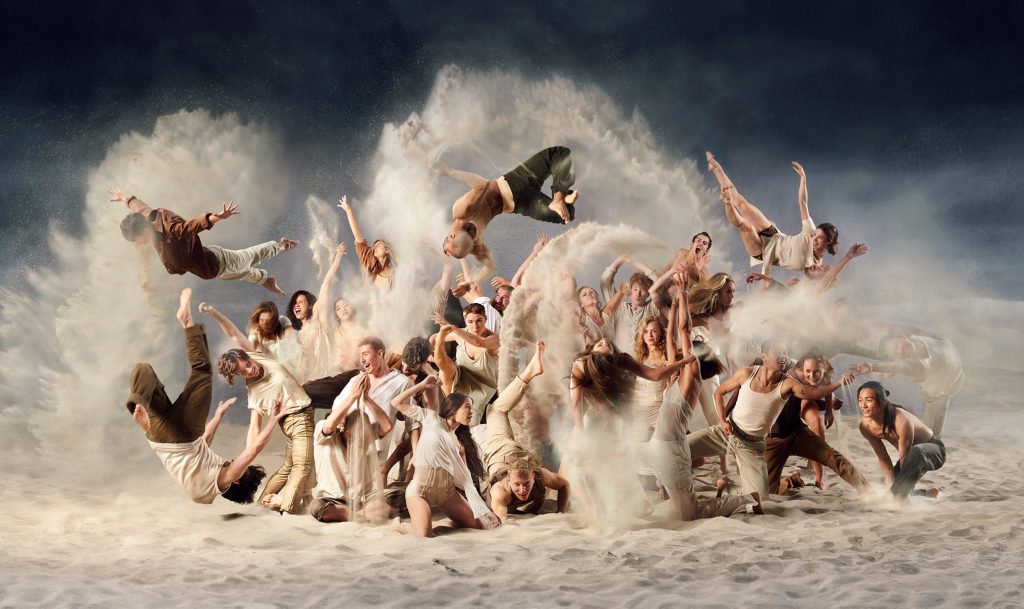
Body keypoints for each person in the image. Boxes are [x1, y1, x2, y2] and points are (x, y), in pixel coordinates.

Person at [125, 288, 291, 505]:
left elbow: (253, 450)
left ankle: (187, 324)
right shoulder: (204, 491)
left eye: (238, 467)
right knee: (142, 370)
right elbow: (202, 445)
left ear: (237, 482)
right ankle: (138, 408)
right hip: (160, 435)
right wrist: (219, 416)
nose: (232, 461)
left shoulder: (227, 476)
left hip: (183, 435)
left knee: (202, 371)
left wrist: (275, 419)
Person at [687, 340, 858, 509]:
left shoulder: (788, 382)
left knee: (761, 498)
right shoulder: (748, 373)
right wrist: (723, 420)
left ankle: (729, 489)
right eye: (778, 352)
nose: (783, 356)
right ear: (764, 357)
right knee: (679, 449)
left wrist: (836, 389)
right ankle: (681, 493)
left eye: (785, 352)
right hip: (738, 435)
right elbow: (721, 392)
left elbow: (813, 392)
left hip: (756, 444)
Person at [644, 273, 755, 519]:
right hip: (655, 447)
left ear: (696, 357)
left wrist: (683, 295)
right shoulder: (676, 374)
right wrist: (673, 307)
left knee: (690, 514)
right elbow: (673, 337)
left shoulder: (690, 377)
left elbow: (684, 330)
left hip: (673, 452)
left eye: (691, 347)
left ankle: (742, 497)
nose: (685, 348)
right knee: (614, 460)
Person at [433, 146, 579, 285]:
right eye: (471, 233)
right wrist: (472, 281)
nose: (472, 231)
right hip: (521, 205)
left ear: (451, 235)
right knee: (566, 216)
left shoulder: (461, 211)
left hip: (514, 183)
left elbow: (481, 184)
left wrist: (451, 172)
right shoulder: (474, 244)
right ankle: (562, 198)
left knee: (558, 153)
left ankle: (559, 197)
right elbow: (490, 267)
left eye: (468, 230)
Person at [110, 188, 297, 294]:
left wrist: (218, 217)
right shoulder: (148, 217)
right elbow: (139, 206)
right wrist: (124, 198)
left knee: (248, 257)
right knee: (239, 271)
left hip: (218, 262)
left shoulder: (171, 232)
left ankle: (280, 245)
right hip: (209, 266)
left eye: (136, 240)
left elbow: (192, 226)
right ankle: (265, 279)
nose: (137, 244)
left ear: (143, 231)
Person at [390, 376, 502, 537]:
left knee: (480, 525)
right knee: (424, 534)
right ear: (454, 408)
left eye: (472, 408)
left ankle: (432, 522)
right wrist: (421, 385)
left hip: (447, 493)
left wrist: (485, 512)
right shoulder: (431, 418)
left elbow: (466, 480)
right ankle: (400, 526)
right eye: (467, 407)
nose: (471, 412)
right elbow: (396, 402)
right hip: (420, 490)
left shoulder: (459, 441)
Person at [705, 153, 839, 279]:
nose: (813, 239)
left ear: (829, 242)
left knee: (745, 225)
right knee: (741, 204)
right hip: (773, 235)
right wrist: (803, 178)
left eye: (820, 238)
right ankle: (716, 168)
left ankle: (727, 202)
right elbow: (803, 202)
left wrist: (765, 278)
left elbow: (814, 283)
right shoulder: (809, 231)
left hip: (763, 252)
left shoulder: (815, 266)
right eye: (815, 235)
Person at [215, 348, 314, 514]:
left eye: (247, 364)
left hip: (296, 417)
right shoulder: (254, 390)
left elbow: (233, 333)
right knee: (302, 465)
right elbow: (255, 425)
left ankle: (263, 503)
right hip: (298, 417)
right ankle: (288, 508)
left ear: (246, 357)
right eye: (243, 372)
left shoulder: (254, 355)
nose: (249, 370)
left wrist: (218, 319)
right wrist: (246, 458)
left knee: (289, 466)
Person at [482, 342, 570, 521]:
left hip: (512, 454)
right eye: (517, 485)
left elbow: (564, 485)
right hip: (504, 451)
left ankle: (530, 371)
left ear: (533, 475)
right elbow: (502, 523)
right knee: (495, 411)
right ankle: (530, 371)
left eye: (526, 484)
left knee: (497, 411)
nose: (522, 489)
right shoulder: (500, 493)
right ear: (509, 482)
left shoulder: (540, 475)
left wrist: (561, 514)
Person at [763, 353, 869, 495]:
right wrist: (836, 389)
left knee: (834, 458)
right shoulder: (791, 378)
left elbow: (823, 387)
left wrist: (830, 410)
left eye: (817, 372)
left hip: (798, 433)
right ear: (801, 369)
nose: (812, 375)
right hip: (776, 440)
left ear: (823, 369)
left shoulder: (821, 373)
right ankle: (792, 481)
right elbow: (814, 395)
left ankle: (868, 491)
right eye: (808, 372)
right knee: (767, 491)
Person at [849, 330, 964, 438]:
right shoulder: (915, 353)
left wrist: (875, 367)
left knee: (929, 438)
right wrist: (879, 367)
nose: (900, 350)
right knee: (929, 438)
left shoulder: (920, 344)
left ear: (903, 336)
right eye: (895, 353)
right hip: (942, 387)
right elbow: (902, 366)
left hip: (947, 385)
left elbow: (902, 366)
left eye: (897, 346)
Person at [858, 381, 945, 500]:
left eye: (869, 400)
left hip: (934, 452)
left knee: (900, 484)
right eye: (860, 400)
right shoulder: (865, 426)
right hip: (912, 458)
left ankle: (900, 499)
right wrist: (890, 486)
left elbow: (905, 456)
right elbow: (883, 458)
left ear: (882, 402)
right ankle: (928, 493)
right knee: (886, 482)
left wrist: (896, 495)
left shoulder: (901, 419)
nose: (863, 405)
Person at [433, 304, 500, 426]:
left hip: (481, 388)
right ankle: (452, 403)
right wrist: (431, 353)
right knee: (446, 366)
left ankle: (456, 409)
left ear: (486, 318)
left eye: (479, 321)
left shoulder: (494, 340)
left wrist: (453, 328)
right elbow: (433, 338)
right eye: (470, 321)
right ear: (465, 320)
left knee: (469, 425)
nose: (475, 326)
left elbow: (478, 342)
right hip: (459, 377)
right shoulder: (460, 334)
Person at [601, 256, 659, 353]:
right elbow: (605, 281)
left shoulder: (653, 307)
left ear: (649, 293)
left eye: (643, 290)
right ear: (631, 290)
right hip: (620, 364)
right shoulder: (619, 307)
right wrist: (622, 258)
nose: (638, 294)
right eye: (635, 289)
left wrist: (633, 261)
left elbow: (657, 282)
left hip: (647, 365)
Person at [338, 195, 395, 290]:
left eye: (379, 245)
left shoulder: (396, 271)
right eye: (374, 246)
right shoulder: (368, 260)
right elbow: (357, 234)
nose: (375, 248)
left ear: (387, 250)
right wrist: (348, 210)